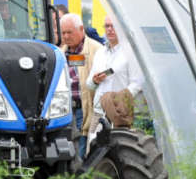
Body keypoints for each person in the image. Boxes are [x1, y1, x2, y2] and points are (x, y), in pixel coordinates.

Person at [85, 16, 145, 156]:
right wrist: (95, 81)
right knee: (92, 153)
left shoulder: (130, 53)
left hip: (119, 113)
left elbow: (137, 82)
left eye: (113, 26)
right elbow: (89, 84)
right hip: (99, 111)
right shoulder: (100, 52)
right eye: (107, 26)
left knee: (119, 154)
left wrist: (120, 99)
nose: (110, 29)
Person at [60, 13, 102, 158]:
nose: (65, 36)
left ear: (81, 29)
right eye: (63, 32)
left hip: (84, 109)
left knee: (82, 150)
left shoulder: (96, 50)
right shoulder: (61, 52)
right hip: (65, 110)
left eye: (69, 32)